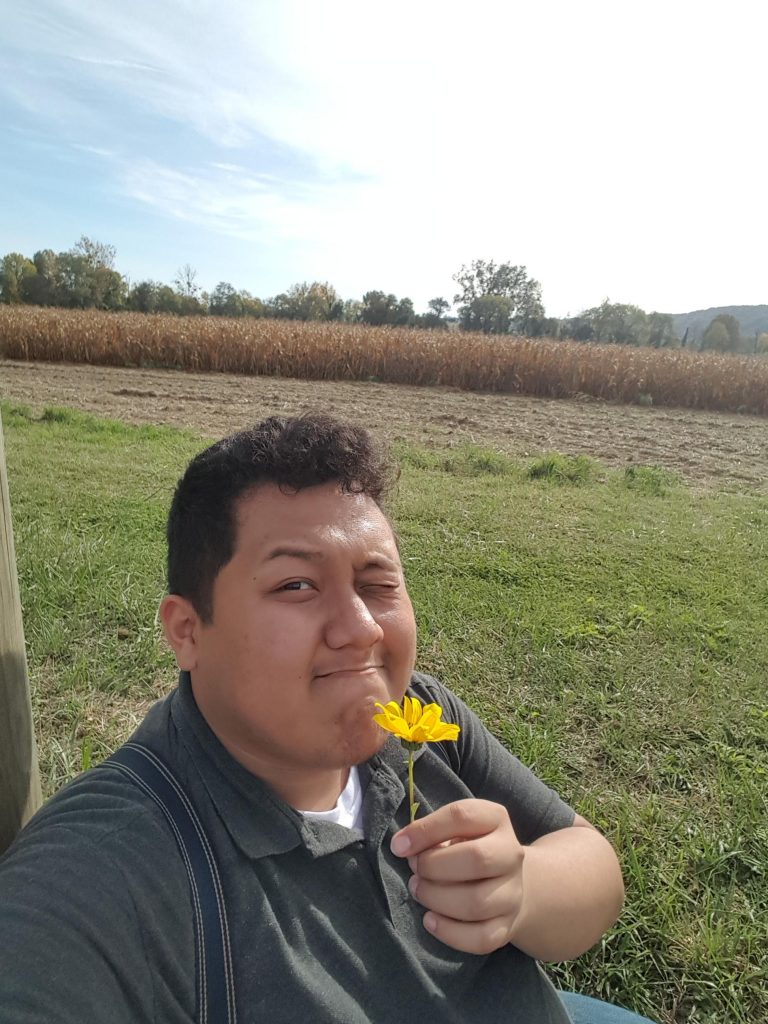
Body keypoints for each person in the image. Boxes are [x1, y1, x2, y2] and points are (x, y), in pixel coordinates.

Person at [0, 413, 652, 1023]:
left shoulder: (421, 719)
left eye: (377, 583)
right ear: (187, 630)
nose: (361, 628)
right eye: (296, 586)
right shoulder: (116, 866)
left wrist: (522, 891)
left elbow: (592, 862)